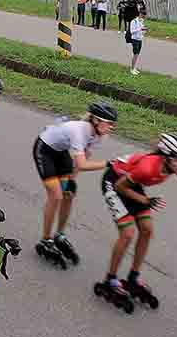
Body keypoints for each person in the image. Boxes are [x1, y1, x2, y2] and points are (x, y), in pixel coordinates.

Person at [98, 133, 177, 309]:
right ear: (165, 157)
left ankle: (133, 277)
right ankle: (110, 279)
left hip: (132, 183)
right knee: (127, 233)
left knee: (147, 230)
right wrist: (145, 201)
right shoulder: (148, 168)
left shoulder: (174, 166)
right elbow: (120, 187)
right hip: (114, 182)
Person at [34, 102, 118, 266]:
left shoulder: (100, 135)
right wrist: (110, 163)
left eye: (113, 124)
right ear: (96, 121)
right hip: (45, 149)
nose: (111, 127)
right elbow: (82, 164)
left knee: (69, 194)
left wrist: (72, 180)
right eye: (109, 123)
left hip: (60, 153)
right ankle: (46, 239)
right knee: (56, 196)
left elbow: (84, 156)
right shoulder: (79, 131)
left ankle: (59, 235)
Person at [127, 6, 147, 75]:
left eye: (144, 16)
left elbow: (142, 31)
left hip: (140, 39)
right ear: (140, 14)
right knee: (135, 54)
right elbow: (132, 31)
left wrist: (144, 31)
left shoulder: (141, 21)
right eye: (143, 15)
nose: (143, 17)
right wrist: (140, 29)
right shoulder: (134, 21)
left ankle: (134, 67)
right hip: (135, 39)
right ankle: (132, 69)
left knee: (137, 54)